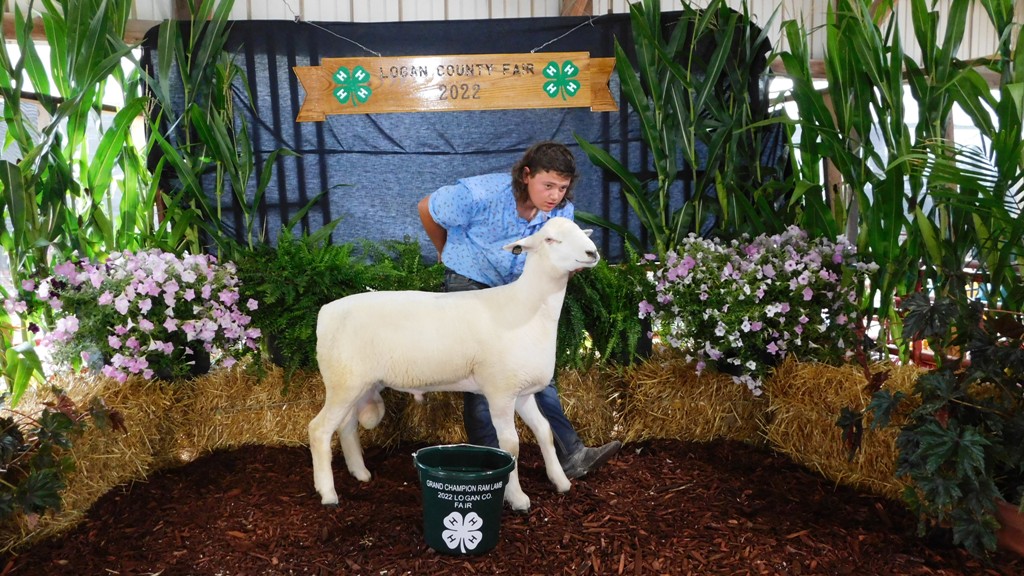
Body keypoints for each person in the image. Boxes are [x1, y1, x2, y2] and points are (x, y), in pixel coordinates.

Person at [417, 140, 621, 479]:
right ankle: (489, 467)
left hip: (518, 290)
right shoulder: (479, 194)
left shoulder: (561, 214)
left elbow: (560, 256)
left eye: (563, 188)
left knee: (535, 368)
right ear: (526, 175)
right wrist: (443, 250)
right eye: (548, 185)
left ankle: (573, 456)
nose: (555, 195)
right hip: (471, 281)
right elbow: (427, 208)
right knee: (484, 376)